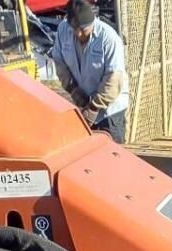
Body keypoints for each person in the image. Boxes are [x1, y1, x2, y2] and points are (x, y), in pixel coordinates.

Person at [52, 0, 128, 143]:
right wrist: (72, 88)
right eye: (75, 29)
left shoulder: (109, 39)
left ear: (92, 24)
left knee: (112, 154)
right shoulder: (63, 30)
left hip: (110, 110)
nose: (79, 33)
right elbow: (59, 61)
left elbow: (113, 79)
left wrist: (94, 107)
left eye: (83, 30)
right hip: (84, 103)